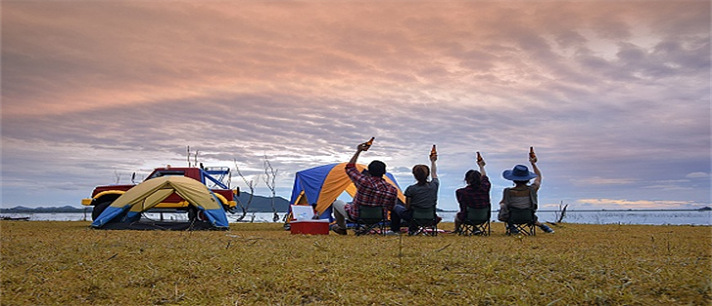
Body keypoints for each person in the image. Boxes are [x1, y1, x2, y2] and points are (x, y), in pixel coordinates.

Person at [331, 142, 399, 235]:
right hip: (379, 217)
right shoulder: (392, 189)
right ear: (384, 172)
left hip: (357, 216)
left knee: (337, 203)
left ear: (369, 171)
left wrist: (358, 151)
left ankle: (342, 228)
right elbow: (391, 207)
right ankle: (365, 228)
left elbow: (349, 168)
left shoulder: (363, 182)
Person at [497, 153, 554, 233]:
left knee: (504, 207)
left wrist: (502, 204)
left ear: (513, 179)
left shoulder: (508, 191)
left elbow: (504, 204)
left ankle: (511, 226)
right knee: (521, 211)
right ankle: (543, 226)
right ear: (527, 179)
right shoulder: (532, 189)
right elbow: (538, 177)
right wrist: (533, 164)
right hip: (528, 217)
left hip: (512, 217)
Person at [388, 150, 439, 235]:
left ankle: (395, 230)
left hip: (414, 217)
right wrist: (433, 161)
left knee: (396, 207)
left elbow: (408, 207)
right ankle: (414, 228)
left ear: (414, 175)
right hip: (431, 217)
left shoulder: (411, 189)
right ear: (427, 175)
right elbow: (434, 173)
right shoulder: (434, 185)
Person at [453, 155, 491, 234]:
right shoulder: (485, 188)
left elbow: (463, 208)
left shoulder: (461, 192)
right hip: (484, 217)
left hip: (467, 218)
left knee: (458, 215)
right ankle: (475, 228)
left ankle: (457, 229)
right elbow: (485, 177)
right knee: (475, 208)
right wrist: (481, 166)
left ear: (467, 180)